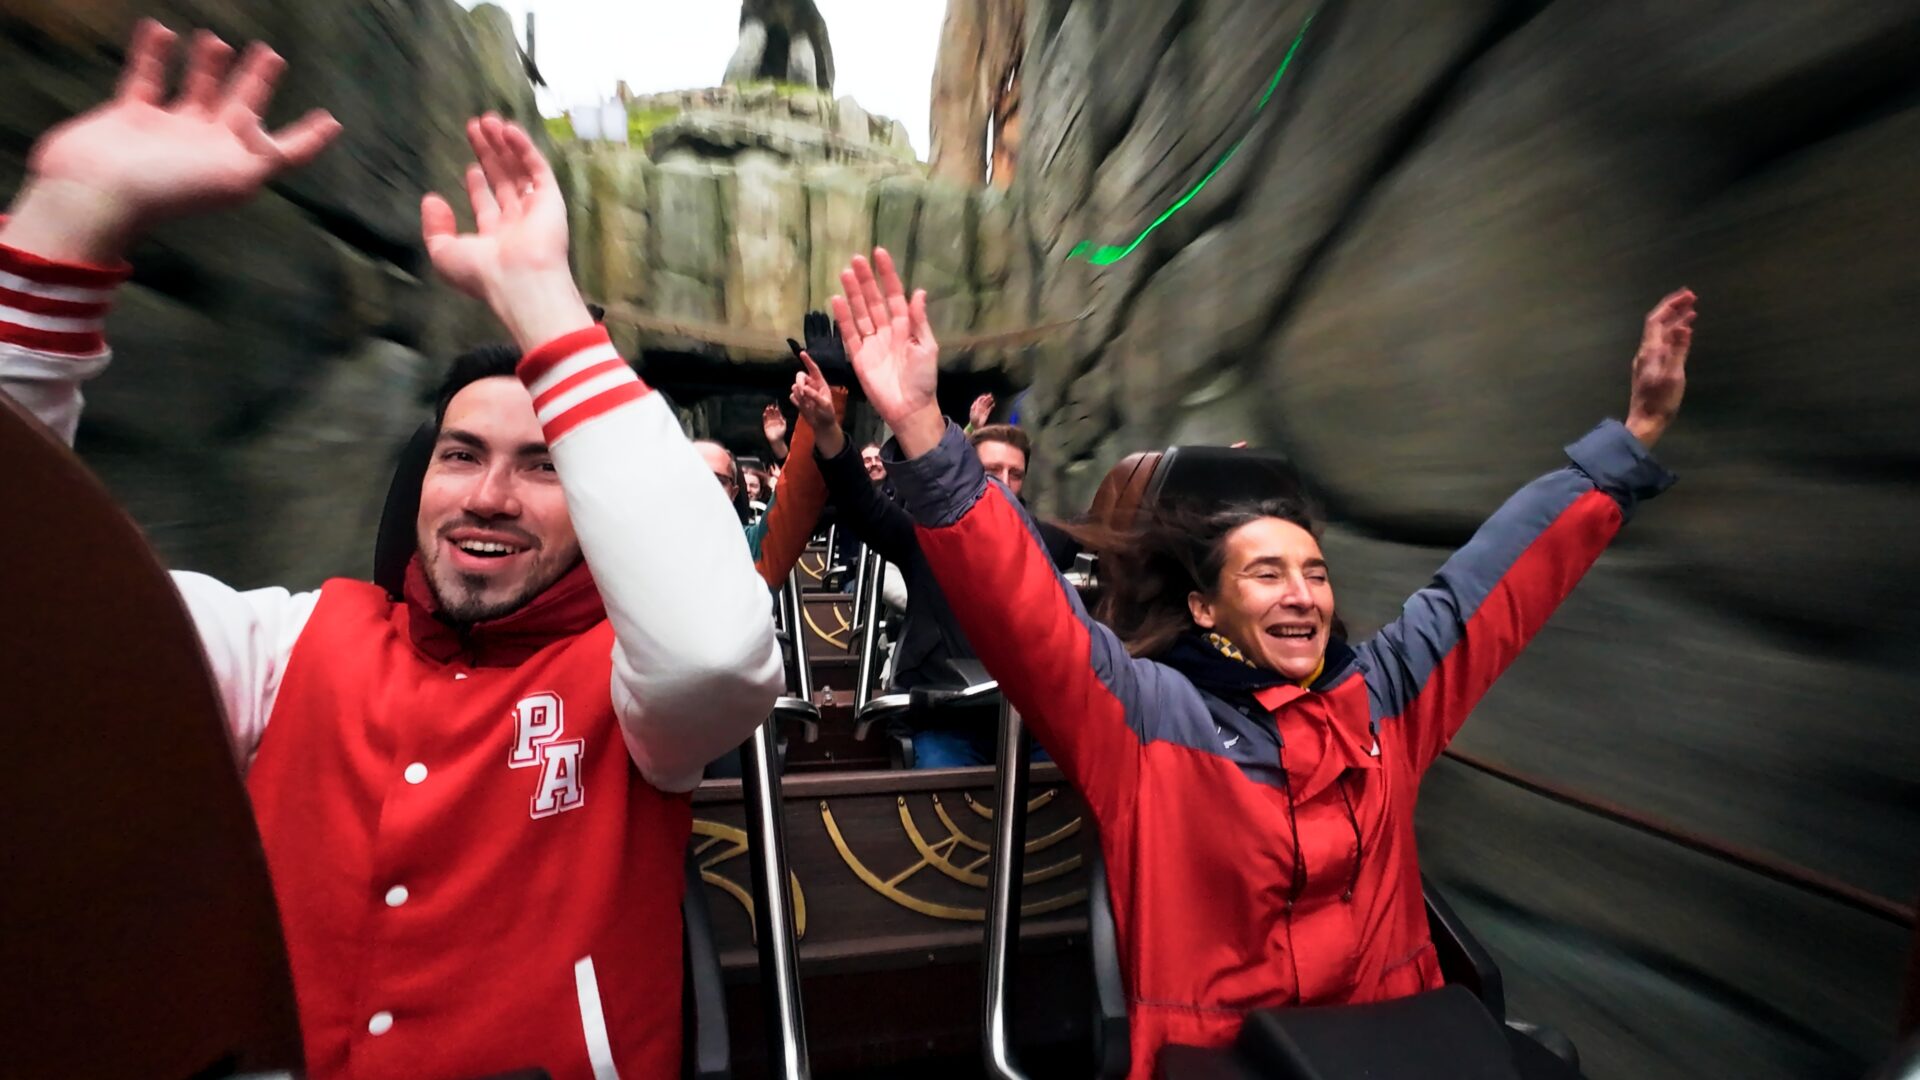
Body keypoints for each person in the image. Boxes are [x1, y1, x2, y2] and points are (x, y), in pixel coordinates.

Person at [0, 23, 783, 1078]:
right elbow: (37, 600)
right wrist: (67, 218)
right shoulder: (282, 644)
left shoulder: (636, 698)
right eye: (461, 455)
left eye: (544, 467)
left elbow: (715, 653)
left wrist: (544, 302)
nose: (490, 496)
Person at [831, 247, 1694, 1075]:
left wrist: (1629, 442)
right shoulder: (1146, 719)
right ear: (1206, 608)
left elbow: (1494, 583)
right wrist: (921, 430)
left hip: (1407, 1040)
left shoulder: (1384, 697)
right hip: (1222, 1059)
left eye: (1315, 573)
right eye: (1268, 574)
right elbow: (1025, 611)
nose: (1301, 594)